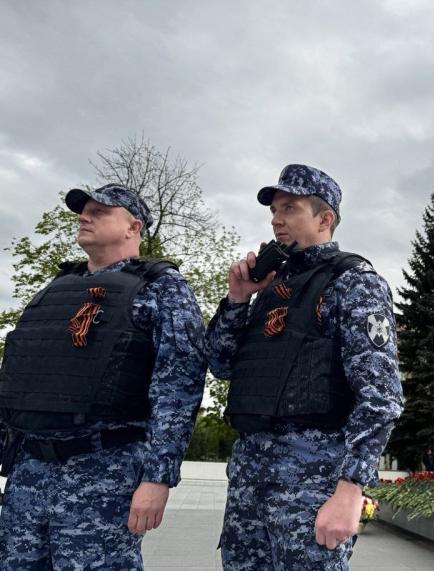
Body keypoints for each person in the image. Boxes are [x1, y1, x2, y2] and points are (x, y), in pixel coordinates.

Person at [206, 164, 404, 569]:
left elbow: (381, 399)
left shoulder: (353, 282)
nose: (277, 219)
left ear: (325, 218)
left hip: (313, 483)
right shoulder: (268, 289)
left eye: (290, 208)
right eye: (274, 210)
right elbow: (221, 364)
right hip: (251, 480)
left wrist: (350, 490)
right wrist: (237, 301)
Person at [0, 184, 207, 569]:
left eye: (100, 212)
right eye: (83, 211)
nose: (84, 217)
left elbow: (179, 387)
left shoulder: (163, 289)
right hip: (29, 472)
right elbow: (21, 376)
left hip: (105, 470)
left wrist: (158, 478)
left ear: (133, 226)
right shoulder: (56, 289)